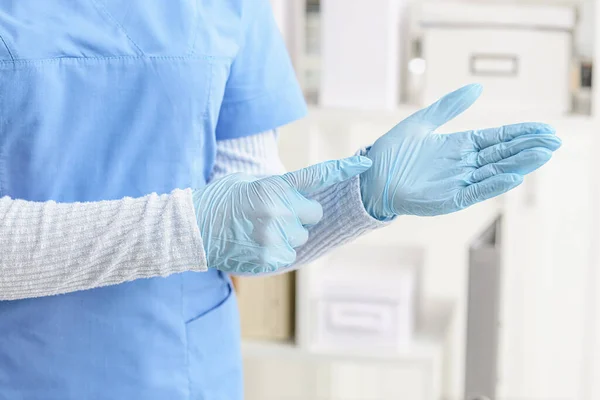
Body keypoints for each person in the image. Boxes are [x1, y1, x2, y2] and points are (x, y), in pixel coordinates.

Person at [0, 1, 561, 399]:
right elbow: (214, 225)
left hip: (182, 369)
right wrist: (193, 227)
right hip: (22, 368)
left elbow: (253, 221)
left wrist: (361, 198)